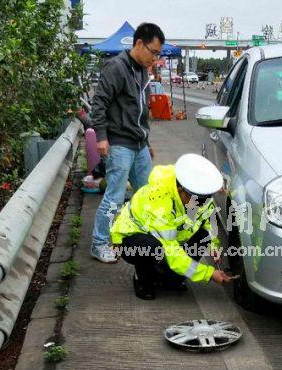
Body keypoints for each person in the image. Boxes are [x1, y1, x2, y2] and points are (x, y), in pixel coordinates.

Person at [111, 154, 234, 300]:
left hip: (170, 240)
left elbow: (206, 221)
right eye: (196, 201)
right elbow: (171, 251)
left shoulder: (200, 195)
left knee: (204, 236)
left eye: (204, 200)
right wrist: (208, 273)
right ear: (180, 189)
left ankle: (170, 278)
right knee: (152, 248)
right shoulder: (159, 201)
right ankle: (142, 279)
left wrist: (214, 247)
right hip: (132, 238)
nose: (199, 204)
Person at [90, 23, 165, 263]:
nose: (154, 58)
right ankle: (99, 243)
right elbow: (98, 103)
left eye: (158, 54)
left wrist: (147, 139)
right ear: (139, 44)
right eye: (153, 52)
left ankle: (137, 237)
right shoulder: (116, 68)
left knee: (146, 194)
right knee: (114, 196)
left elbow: (141, 111)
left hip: (139, 144)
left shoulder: (143, 70)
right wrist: (101, 137)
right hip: (120, 144)